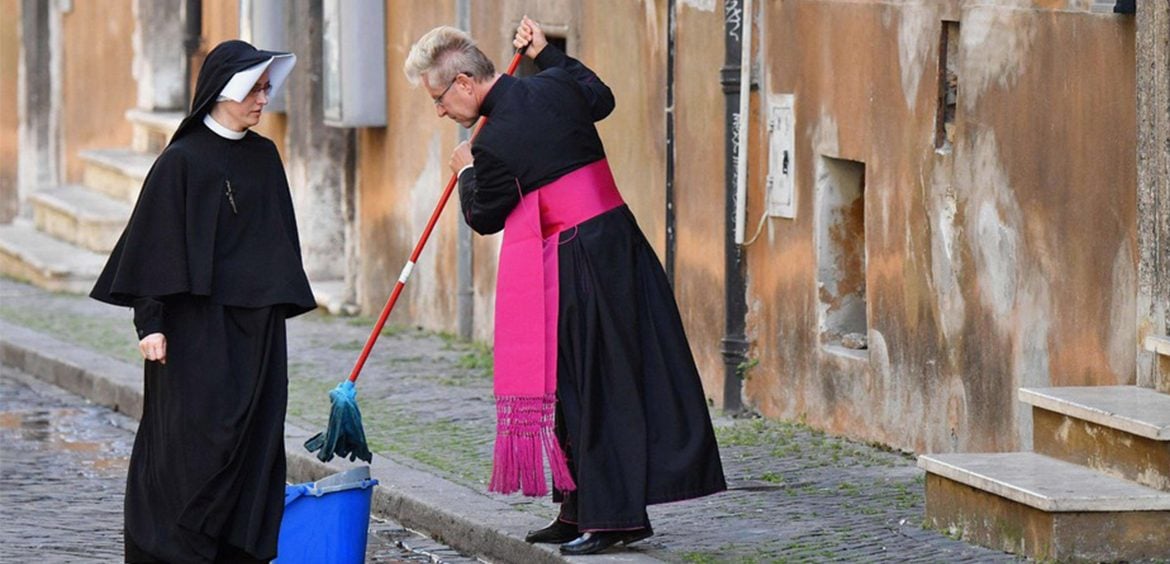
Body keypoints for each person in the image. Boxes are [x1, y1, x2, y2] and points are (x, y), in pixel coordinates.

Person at [404, 18, 726, 556]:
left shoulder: (495, 142)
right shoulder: (551, 85)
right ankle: (577, 507)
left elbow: (485, 216)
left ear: (463, 83)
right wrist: (548, 54)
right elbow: (600, 98)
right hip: (615, 244)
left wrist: (465, 171)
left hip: (579, 259)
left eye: (438, 98)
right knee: (573, 386)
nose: (439, 110)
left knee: (594, 385)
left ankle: (615, 518)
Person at [90, 40, 316, 563]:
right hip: (192, 335)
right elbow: (152, 247)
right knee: (189, 451)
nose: (264, 100)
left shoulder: (264, 157)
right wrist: (150, 324)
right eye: (255, 89)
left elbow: (277, 244)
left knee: (254, 444)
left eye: (266, 89)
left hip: (257, 332)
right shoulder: (181, 162)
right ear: (224, 91)